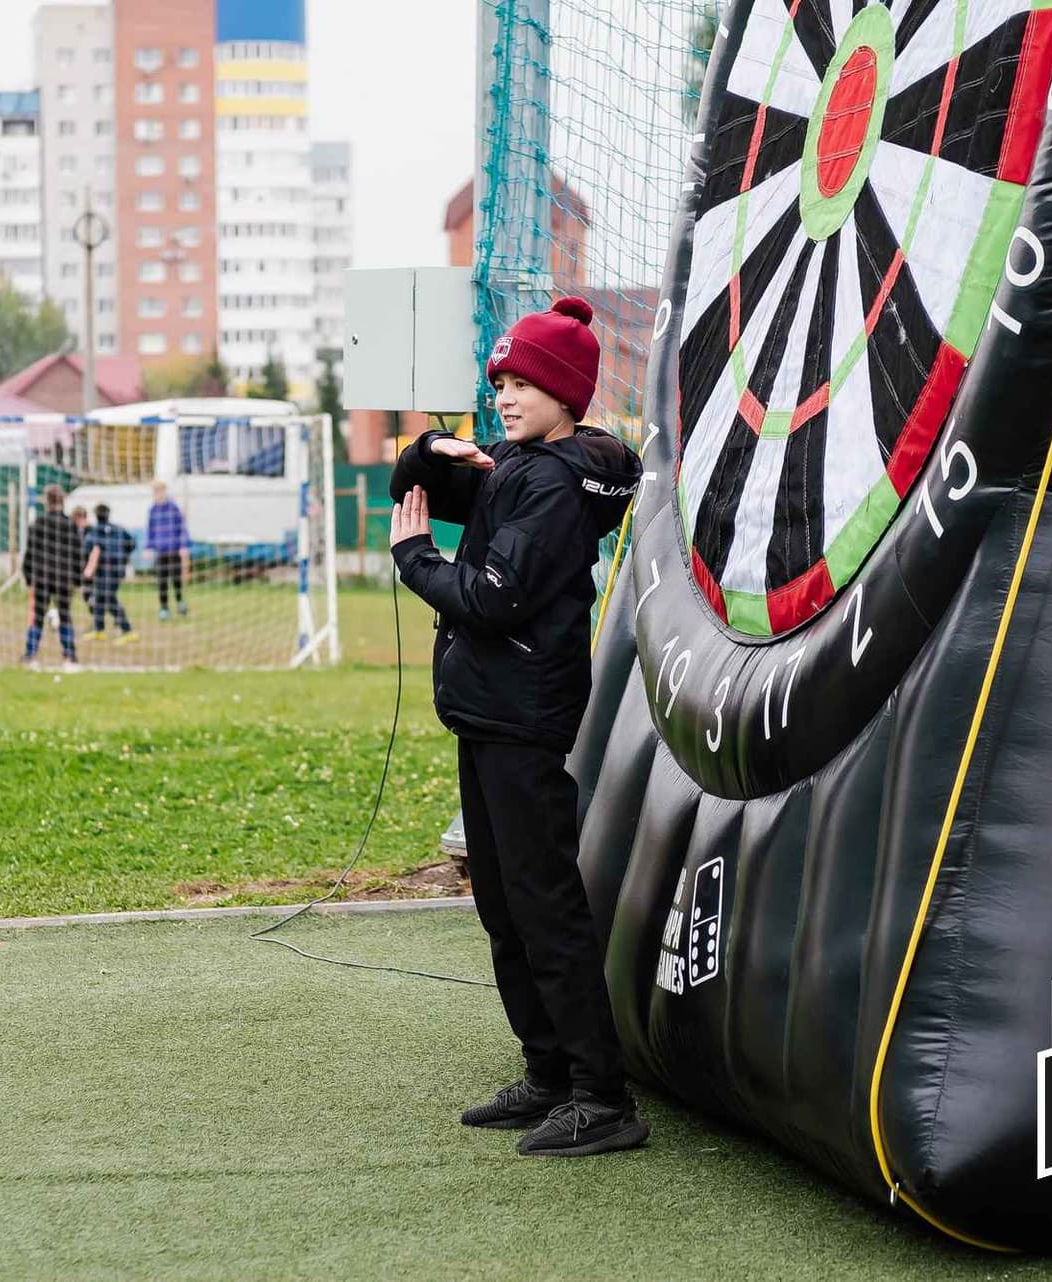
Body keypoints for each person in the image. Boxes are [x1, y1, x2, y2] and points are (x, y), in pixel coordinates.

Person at [388, 296, 645, 1158]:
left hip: (523, 716)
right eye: (500, 382)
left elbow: (493, 598)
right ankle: (549, 1073)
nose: (504, 396)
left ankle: (601, 1099)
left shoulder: (552, 481)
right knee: (504, 905)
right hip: (487, 712)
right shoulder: (515, 461)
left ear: (565, 393)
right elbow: (412, 485)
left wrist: (415, 560)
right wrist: (431, 448)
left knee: (544, 908)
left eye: (523, 383)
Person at [22, 483, 83, 669]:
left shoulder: (38, 524)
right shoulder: (70, 525)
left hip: (42, 577)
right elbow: (77, 554)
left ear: (46, 502)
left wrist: (28, 576)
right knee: (65, 615)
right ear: (63, 501)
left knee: (38, 616)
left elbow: (30, 553)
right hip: (64, 578)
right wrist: (77, 579)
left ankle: (30, 654)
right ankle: (69, 654)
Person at [80, 504, 138, 644]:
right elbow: (132, 544)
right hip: (118, 569)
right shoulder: (119, 529)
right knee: (100, 599)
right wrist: (123, 556)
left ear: (96, 515)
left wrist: (87, 568)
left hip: (103, 571)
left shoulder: (94, 532)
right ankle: (99, 630)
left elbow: (86, 551)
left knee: (109, 600)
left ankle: (128, 631)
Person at [146, 480, 190, 621]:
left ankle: (180, 602)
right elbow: (150, 530)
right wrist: (148, 547)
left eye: (160, 490)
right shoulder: (153, 510)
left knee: (176, 578)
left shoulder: (173, 508)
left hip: (174, 549)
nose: (158, 493)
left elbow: (182, 527)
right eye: (155, 491)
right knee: (162, 581)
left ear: (164, 491)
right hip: (160, 550)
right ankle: (164, 608)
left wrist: (183, 546)